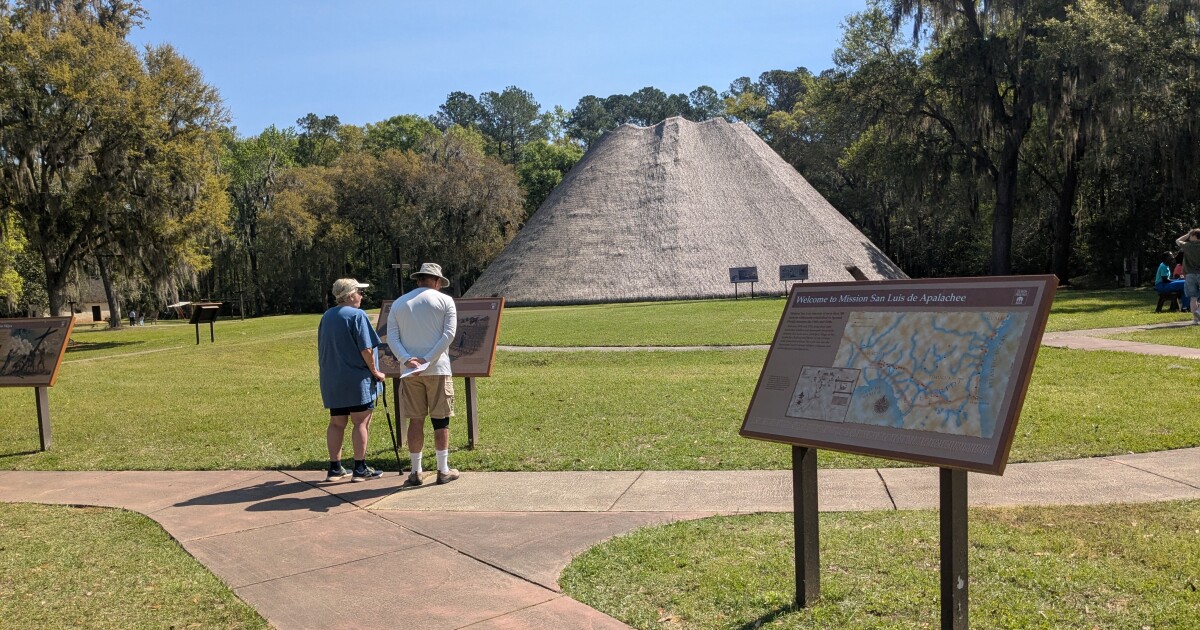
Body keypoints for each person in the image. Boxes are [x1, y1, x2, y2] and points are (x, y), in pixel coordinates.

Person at [387, 262, 459, 486]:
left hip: (409, 372)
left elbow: (392, 338)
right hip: (437, 369)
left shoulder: (399, 303)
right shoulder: (445, 301)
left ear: (418, 279)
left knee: (415, 420)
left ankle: (415, 471)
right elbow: (449, 335)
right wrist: (427, 359)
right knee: (441, 420)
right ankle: (442, 469)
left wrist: (408, 360)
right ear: (437, 282)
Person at [317, 278, 386, 481]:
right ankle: (360, 468)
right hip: (356, 379)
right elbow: (366, 348)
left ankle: (335, 468)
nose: (362, 296)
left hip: (333, 379)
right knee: (361, 422)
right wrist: (375, 371)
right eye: (359, 292)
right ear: (349, 296)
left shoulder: (327, 316)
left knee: (337, 423)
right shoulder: (357, 315)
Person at [1176, 228, 1200, 325]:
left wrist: (1187, 233)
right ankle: (1198, 311)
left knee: (1193, 298)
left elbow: (1177, 241)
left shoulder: (1187, 246)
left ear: (1194, 236)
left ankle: (1195, 319)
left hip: (1189, 274)